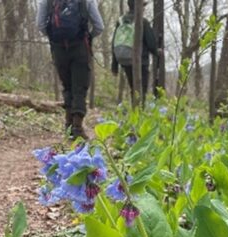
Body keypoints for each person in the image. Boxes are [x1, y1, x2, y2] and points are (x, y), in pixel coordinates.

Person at [37, 0, 104, 139]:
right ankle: (77, 127)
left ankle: (68, 125)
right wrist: (88, 36)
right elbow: (99, 26)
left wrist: (55, 36)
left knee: (67, 86)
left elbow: (40, 25)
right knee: (80, 87)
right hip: (80, 47)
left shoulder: (46, 1)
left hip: (58, 49)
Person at [111, 0, 160, 98]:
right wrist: (157, 52)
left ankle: (134, 106)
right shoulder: (143, 22)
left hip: (125, 60)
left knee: (133, 89)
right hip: (141, 61)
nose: (144, 9)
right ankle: (139, 107)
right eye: (143, 6)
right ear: (138, 6)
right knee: (141, 91)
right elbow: (151, 44)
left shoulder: (121, 21)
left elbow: (114, 43)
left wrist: (114, 66)